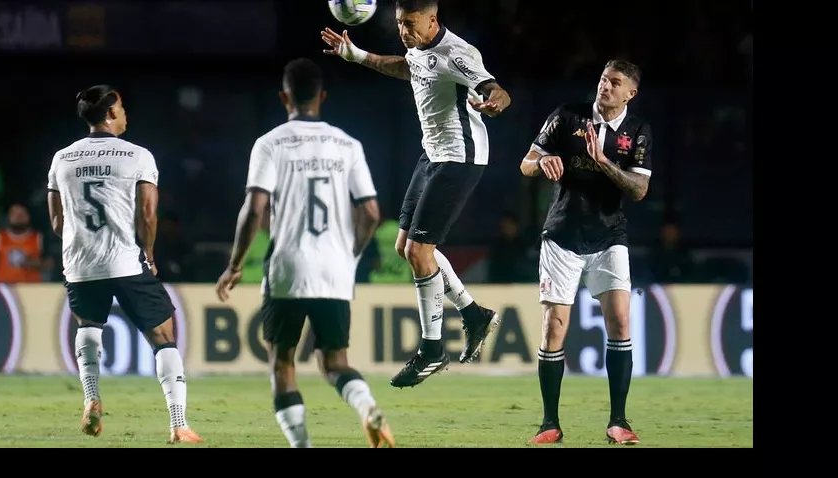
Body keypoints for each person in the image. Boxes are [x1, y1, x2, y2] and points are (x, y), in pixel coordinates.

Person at [321, 0, 511, 388]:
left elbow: (496, 89)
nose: (403, 31)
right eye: (399, 24)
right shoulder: (418, 47)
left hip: (461, 156)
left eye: (410, 24)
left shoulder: (458, 53)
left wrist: (493, 103)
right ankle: (473, 314)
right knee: (404, 246)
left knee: (419, 252)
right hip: (433, 155)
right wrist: (356, 55)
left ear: (433, 20)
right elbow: (409, 68)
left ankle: (432, 349)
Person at [215, 58, 391, 448]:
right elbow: (372, 213)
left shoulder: (270, 143)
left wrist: (235, 264)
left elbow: (255, 208)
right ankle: (365, 407)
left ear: (284, 97)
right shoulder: (348, 144)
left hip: (287, 268)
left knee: (282, 362)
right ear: (322, 97)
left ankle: (302, 445)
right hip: (334, 269)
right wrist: (350, 256)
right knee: (335, 362)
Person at [47, 85, 205, 444]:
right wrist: (148, 253)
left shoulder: (62, 159)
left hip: (80, 263)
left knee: (89, 325)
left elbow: (57, 223)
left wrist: (81, 247)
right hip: (125, 260)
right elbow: (148, 214)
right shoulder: (137, 156)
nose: (126, 114)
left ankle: (90, 399)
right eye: (121, 108)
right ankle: (179, 424)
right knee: (163, 336)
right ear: (109, 115)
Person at [518, 60, 651, 446]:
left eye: (615, 83)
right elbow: (525, 164)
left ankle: (618, 421)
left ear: (631, 93)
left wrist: (604, 162)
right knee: (553, 327)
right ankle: (549, 424)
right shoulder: (567, 116)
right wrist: (542, 161)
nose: (605, 87)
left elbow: (639, 190)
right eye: (603, 79)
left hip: (610, 236)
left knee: (621, 323)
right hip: (562, 235)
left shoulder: (637, 132)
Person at [0, 202, 54, 283]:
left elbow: (49, 263)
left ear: (28, 216)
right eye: (15, 214)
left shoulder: (38, 238)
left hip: (31, 288)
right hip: (4, 288)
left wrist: (36, 264)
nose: (19, 217)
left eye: (22, 214)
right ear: (9, 217)